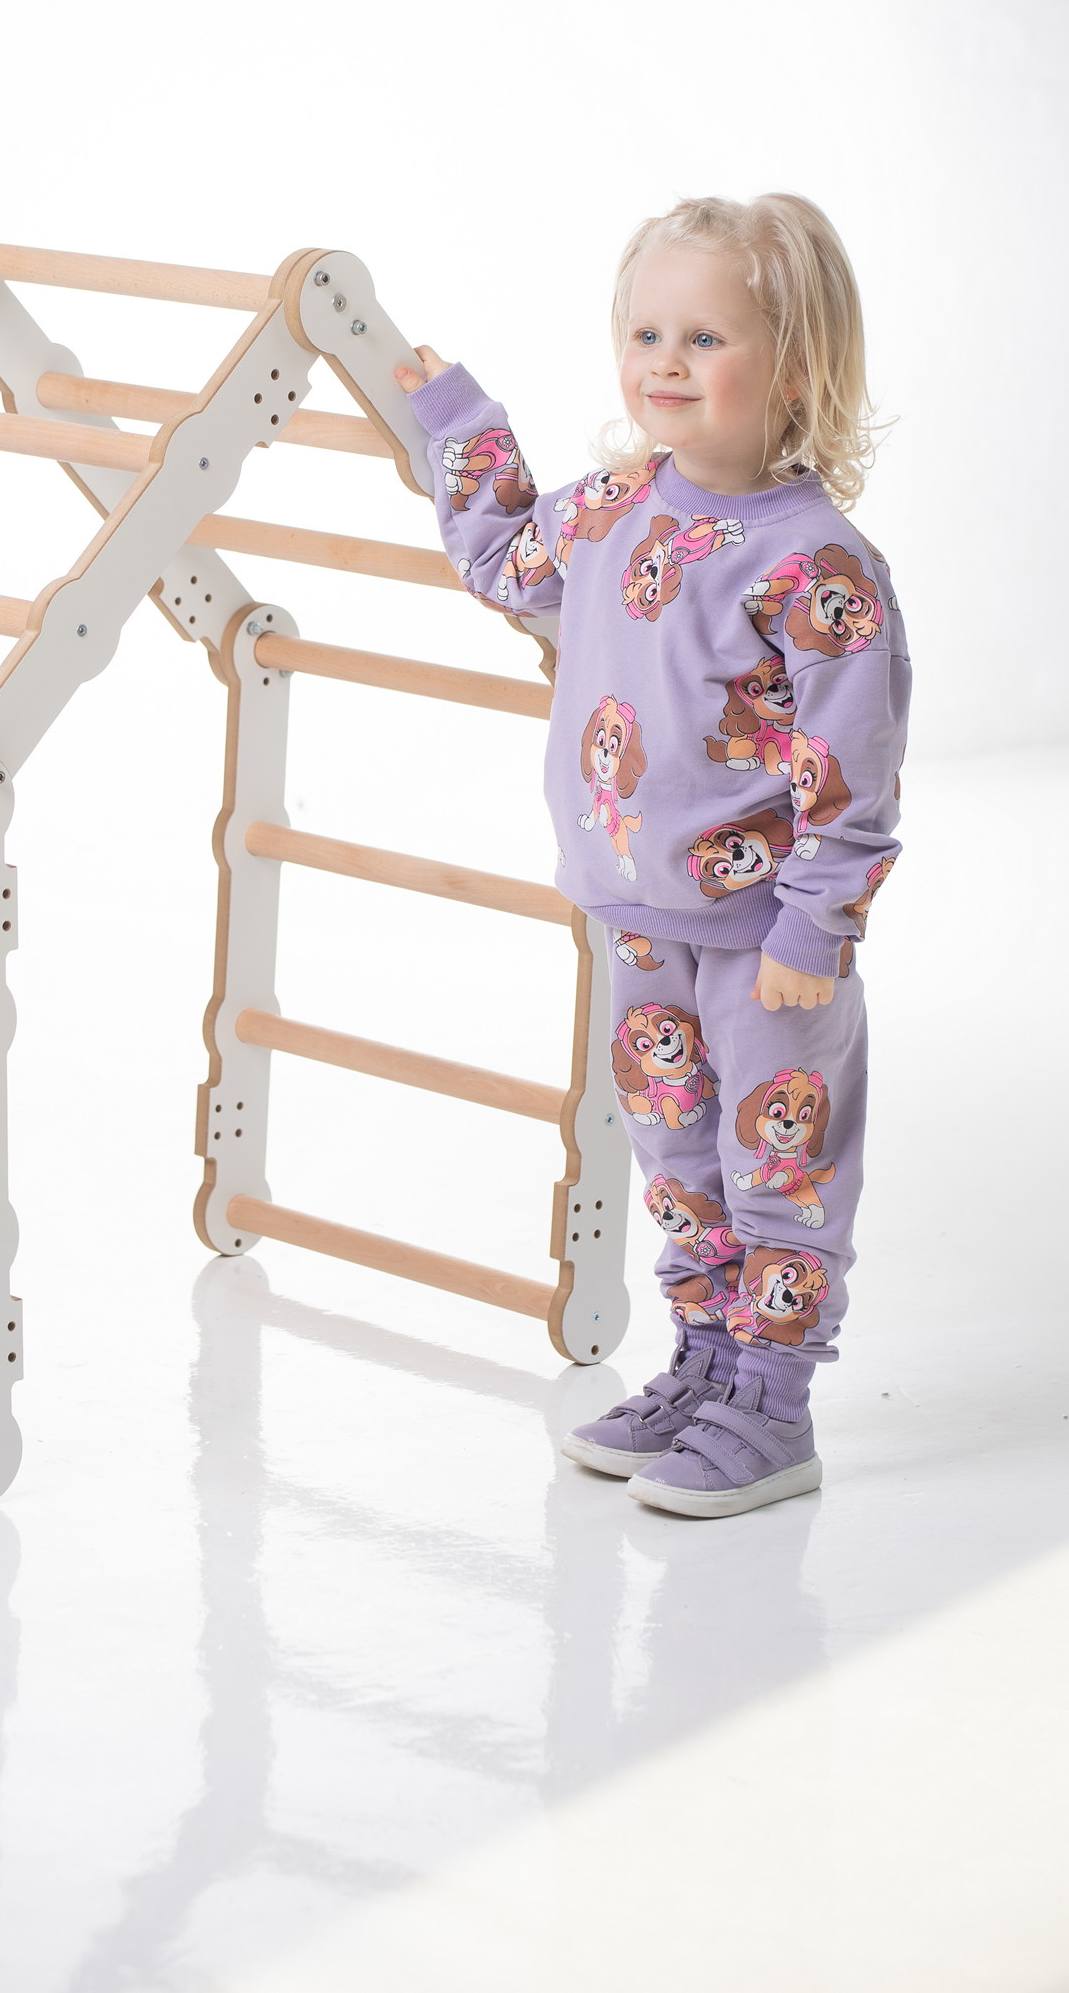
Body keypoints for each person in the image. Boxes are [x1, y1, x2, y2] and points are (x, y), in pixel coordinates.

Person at [396, 196, 909, 1518]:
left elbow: (851, 768)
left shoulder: (818, 565)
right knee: (678, 1158)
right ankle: (706, 1363)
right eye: (646, 333)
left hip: (767, 938)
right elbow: (504, 560)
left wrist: (816, 925)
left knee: (778, 1165)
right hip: (635, 916)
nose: (665, 362)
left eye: (706, 337)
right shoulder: (613, 508)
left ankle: (774, 1405)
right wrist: (457, 419)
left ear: (794, 368)